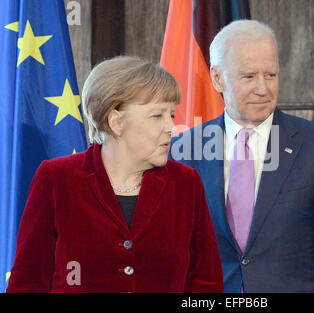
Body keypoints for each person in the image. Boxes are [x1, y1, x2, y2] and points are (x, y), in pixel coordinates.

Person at [170, 20, 314, 292]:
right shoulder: (182, 150)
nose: (263, 88)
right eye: (249, 76)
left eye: (270, 75)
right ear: (217, 78)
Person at [6, 56, 224, 293]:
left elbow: (206, 284)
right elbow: (27, 283)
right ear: (116, 122)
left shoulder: (185, 184)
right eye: (157, 115)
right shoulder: (56, 179)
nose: (171, 127)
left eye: (171, 115)